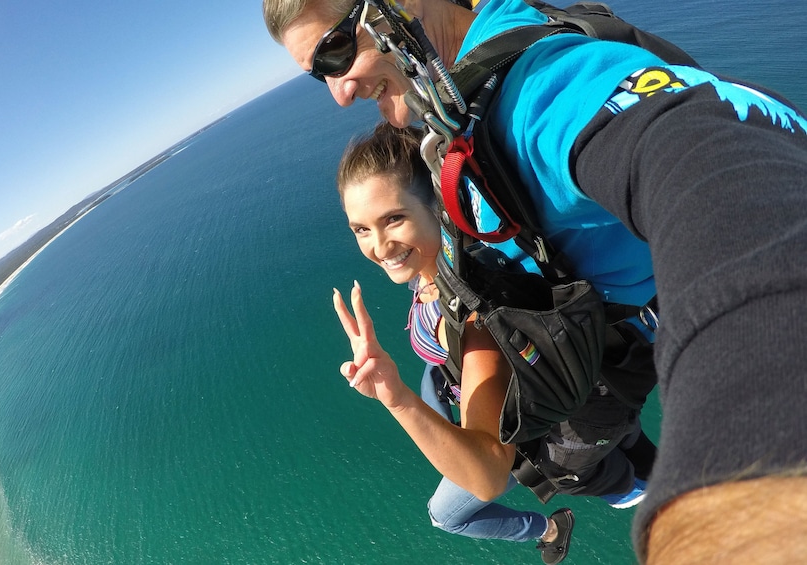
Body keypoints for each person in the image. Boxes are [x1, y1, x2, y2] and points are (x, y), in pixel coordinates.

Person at [263, 0, 807, 562]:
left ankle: (635, 486)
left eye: (336, 50)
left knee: (574, 469)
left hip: (615, 351)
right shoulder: (474, 79)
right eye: (319, 72)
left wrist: (750, 472)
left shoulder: (532, 96)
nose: (340, 93)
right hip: (600, 333)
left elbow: (703, 151)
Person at [333, 122, 655, 563]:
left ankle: (558, 524)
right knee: (625, 437)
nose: (379, 246)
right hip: (575, 380)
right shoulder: (441, 265)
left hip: (545, 424)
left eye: (393, 219)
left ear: (436, 208)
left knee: (446, 514)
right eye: (361, 229)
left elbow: (485, 476)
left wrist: (397, 398)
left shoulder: (472, 322)